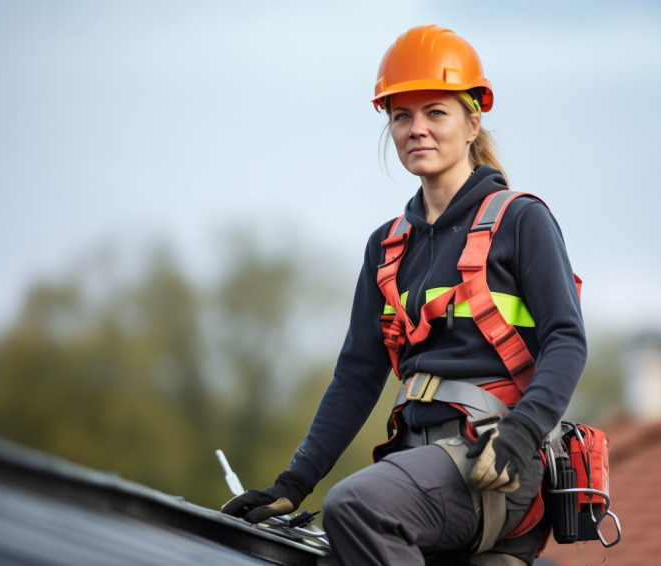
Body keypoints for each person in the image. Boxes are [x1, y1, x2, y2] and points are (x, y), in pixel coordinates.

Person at [221, 24, 586, 566]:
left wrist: (521, 432)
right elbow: (356, 374)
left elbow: (567, 340)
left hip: (496, 461)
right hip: (419, 461)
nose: (417, 129)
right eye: (402, 116)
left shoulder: (520, 221)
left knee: (357, 508)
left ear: (472, 121)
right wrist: (293, 483)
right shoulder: (387, 247)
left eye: (435, 112)